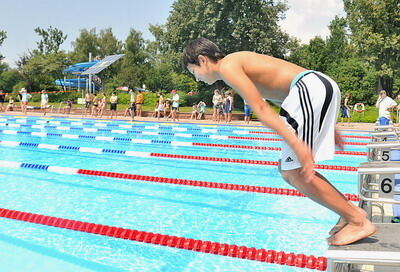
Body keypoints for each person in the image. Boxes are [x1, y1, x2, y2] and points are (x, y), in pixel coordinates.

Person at [182, 37, 375, 246]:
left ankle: (358, 221)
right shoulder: (237, 62)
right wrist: (330, 125)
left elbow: (262, 109)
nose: (197, 79)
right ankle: (352, 213)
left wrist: (297, 144)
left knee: (295, 172)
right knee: (288, 170)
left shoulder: (228, 66)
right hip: (315, 87)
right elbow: (280, 94)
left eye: (194, 72)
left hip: (309, 89)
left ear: (202, 60)